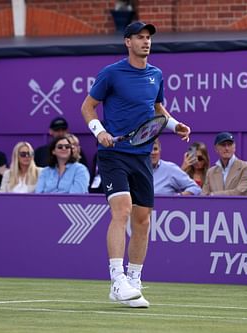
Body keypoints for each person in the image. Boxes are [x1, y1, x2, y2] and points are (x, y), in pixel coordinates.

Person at [80, 21, 191, 308]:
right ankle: (117, 280)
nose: (146, 42)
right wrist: (99, 131)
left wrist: (176, 125)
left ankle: (134, 282)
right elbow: (87, 106)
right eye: (140, 38)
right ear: (128, 42)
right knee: (123, 210)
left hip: (142, 155)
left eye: (148, 38)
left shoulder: (156, 74)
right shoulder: (112, 73)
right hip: (114, 153)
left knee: (142, 221)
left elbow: (157, 110)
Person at [202, 132, 247, 196]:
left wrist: (213, 195)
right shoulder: (210, 172)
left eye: (229, 145)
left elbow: (241, 192)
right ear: (216, 149)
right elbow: (204, 196)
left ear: (234, 147)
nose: (227, 148)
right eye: (223, 145)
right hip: (215, 206)